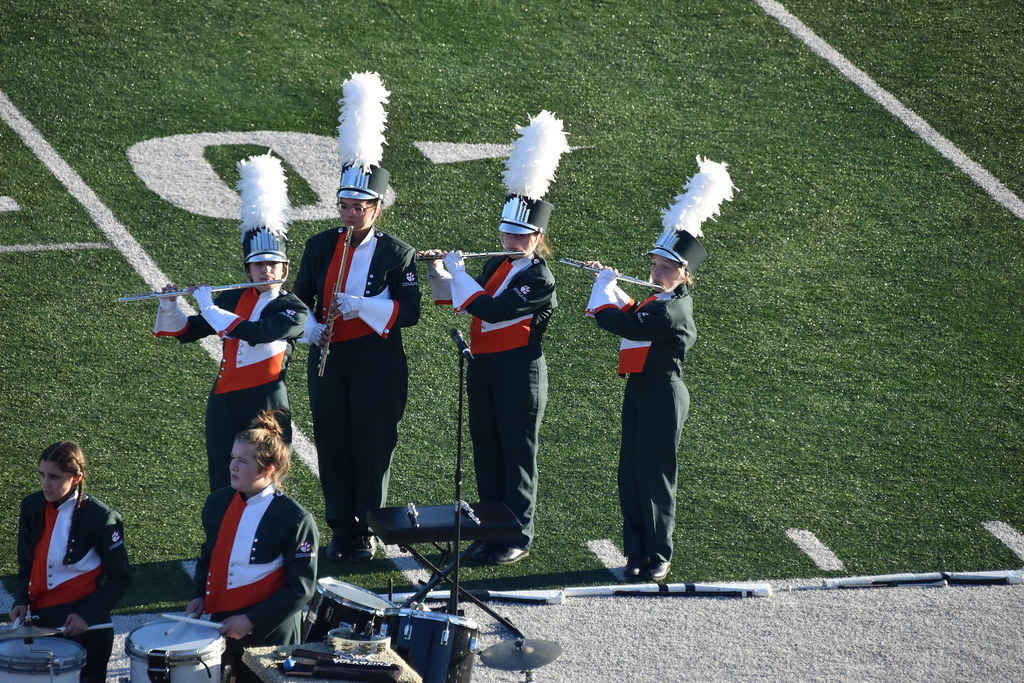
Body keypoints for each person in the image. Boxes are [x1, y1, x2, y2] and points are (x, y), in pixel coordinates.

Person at [419, 111, 569, 566]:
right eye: (508, 231)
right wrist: (437, 271)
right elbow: (460, 300)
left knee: (516, 456)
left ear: (537, 237)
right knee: (486, 451)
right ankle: (488, 532)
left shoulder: (540, 279)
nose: (511, 239)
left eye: (521, 234)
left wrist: (461, 274)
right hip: (483, 366)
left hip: (518, 371)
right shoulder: (498, 265)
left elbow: (493, 310)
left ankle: (517, 536)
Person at [584, 156, 734, 582]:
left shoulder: (674, 310)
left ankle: (659, 554)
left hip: (664, 394)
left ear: (684, 274)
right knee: (630, 474)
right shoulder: (659, 301)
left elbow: (624, 322)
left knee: (656, 477)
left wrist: (602, 292)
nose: (655, 272)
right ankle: (636, 551)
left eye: (666, 268)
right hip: (640, 389)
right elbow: (633, 311)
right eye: (654, 265)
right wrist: (609, 285)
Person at [294, 72, 419, 563]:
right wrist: (309, 327)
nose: (350, 214)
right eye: (344, 205)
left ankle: (367, 526)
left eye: (359, 207)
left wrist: (362, 305)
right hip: (329, 360)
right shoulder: (321, 244)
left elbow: (409, 311)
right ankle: (341, 526)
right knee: (333, 444)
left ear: (377, 207)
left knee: (371, 447)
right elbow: (300, 297)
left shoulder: (398, 253)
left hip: (376, 362)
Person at [154, 152, 307, 491]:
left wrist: (209, 305)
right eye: (258, 265)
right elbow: (189, 331)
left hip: (266, 404)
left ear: (285, 269)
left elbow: (258, 334)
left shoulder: (293, 308)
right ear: (247, 269)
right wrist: (170, 304)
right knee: (223, 479)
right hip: (223, 400)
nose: (266, 271)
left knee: (264, 479)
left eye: (273, 264)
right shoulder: (233, 298)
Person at [187, 408, 318, 682]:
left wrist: (251, 620)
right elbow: (209, 554)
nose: (233, 466)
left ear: (268, 469)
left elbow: (301, 589)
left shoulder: (294, 519)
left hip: (270, 634)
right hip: (224, 622)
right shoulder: (218, 503)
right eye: (233, 458)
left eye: (243, 461)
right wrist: (200, 594)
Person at [10, 441, 133, 683]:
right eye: (42, 475)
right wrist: (21, 599)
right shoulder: (32, 505)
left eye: (54, 477)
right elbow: (26, 562)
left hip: (86, 627)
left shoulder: (102, 518)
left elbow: (121, 578)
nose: (46, 483)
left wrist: (87, 615)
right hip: (41, 624)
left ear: (76, 478)